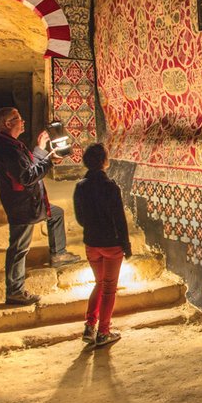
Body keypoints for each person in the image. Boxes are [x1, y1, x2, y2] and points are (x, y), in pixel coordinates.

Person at [0, 107, 81, 306]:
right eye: (18, 118)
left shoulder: (12, 144)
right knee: (19, 248)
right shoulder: (8, 149)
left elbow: (29, 167)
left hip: (30, 201)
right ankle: (15, 291)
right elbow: (27, 176)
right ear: (8, 123)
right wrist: (49, 161)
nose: (22, 121)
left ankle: (58, 254)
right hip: (22, 205)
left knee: (56, 214)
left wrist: (41, 149)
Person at [72, 144, 131, 348]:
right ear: (104, 161)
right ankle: (104, 332)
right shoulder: (111, 187)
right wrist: (125, 244)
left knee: (99, 283)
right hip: (111, 244)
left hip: (92, 243)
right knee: (108, 289)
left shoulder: (81, 186)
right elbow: (119, 219)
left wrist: (93, 227)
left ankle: (89, 326)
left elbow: (80, 218)